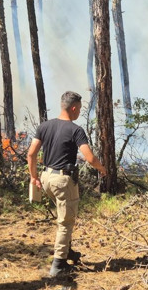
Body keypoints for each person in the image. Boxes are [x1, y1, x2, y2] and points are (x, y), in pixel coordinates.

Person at [27, 91, 106, 277]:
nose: (79, 112)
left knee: (63, 214)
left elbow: (31, 154)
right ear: (73, 108)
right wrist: (103, 169)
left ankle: (67, 251)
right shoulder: (75, 130)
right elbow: (90, 157)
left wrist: (33, 176)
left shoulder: (45, 126)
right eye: (78, 108)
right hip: (63, 180)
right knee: (66, 221)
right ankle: (58, 265)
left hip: (46, 178)